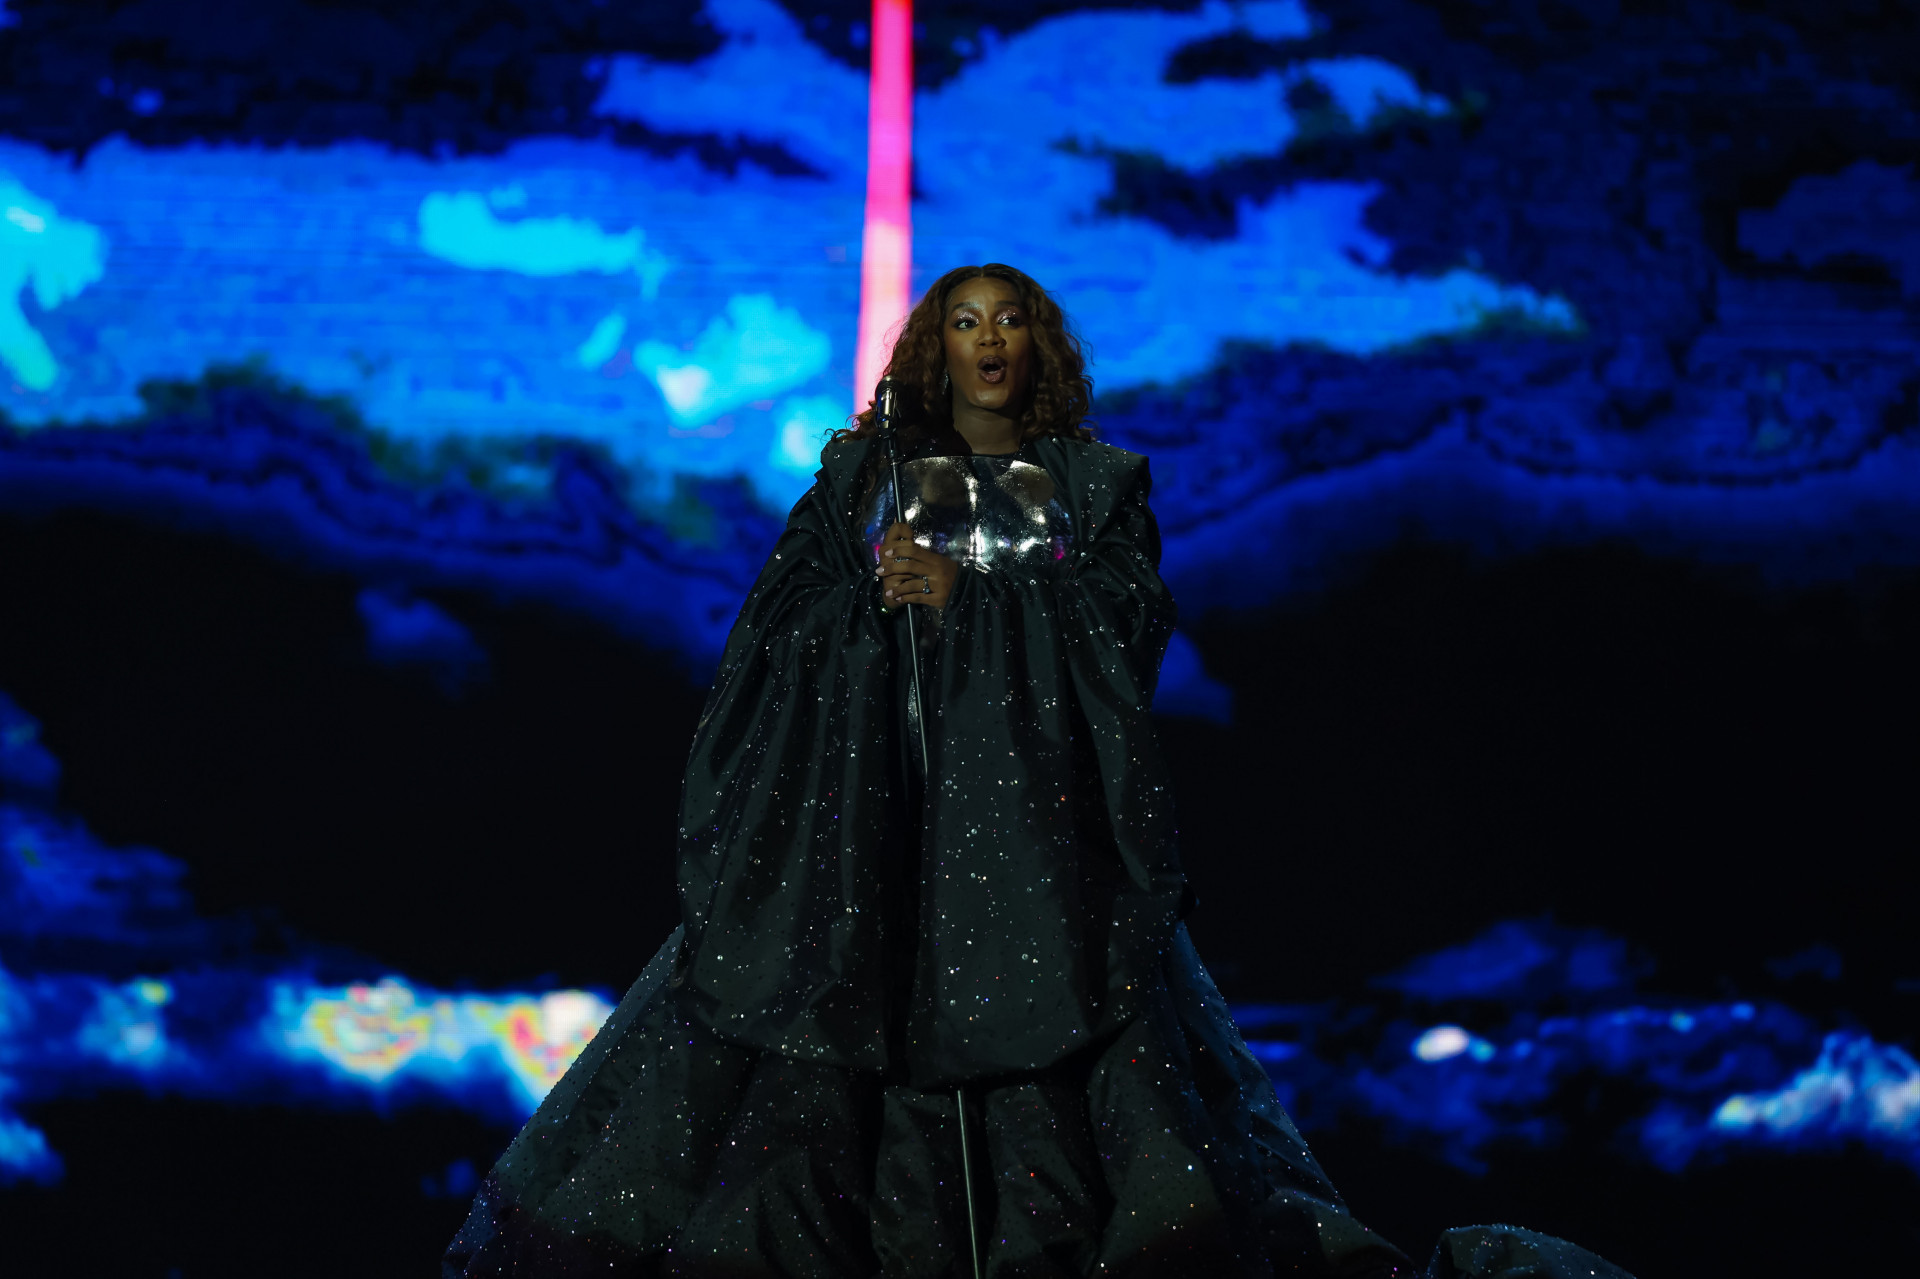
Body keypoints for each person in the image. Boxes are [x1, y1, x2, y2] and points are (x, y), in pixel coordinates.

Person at [444, 264, 1630, 1279]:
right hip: (871, 852)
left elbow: (1124, 632)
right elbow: (776, 626)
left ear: (1040, 341)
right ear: (934, 345)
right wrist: (872, 612)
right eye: (965, 320)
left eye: (1010, 318)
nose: (989, 339)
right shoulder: (860, 480)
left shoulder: (1097, 488)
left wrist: (970, 602)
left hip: (1035, 860)